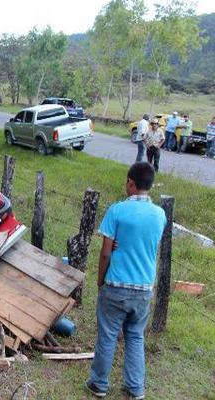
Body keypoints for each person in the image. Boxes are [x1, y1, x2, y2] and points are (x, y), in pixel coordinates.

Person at [86, 162, 167, 400]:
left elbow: (105, 252)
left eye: (126, 182)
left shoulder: (117, 211)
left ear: (131, 183)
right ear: (150, 185)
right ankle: (135, 388)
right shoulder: (160, 215)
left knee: (108, 335)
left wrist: (100, 280)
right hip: (143, 290)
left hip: (116, 287)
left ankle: (99, 384)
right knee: (135, 336)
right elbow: (147, 245)